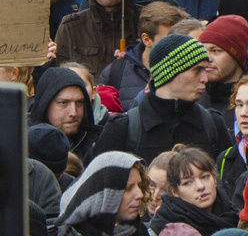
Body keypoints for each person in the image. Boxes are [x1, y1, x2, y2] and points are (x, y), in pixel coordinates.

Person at [90, 34, 232, 160]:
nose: (205, 79)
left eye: (205, 70)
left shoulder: (212, 124)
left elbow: (227, 183)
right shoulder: (123, 129)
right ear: (170, 71)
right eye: (197, 70)